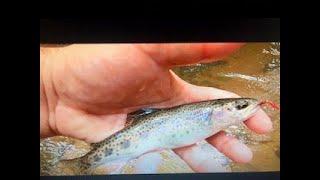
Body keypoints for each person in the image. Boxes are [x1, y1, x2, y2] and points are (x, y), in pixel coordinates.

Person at [40, 43, 273, 172]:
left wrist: (49, 86)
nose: (247, 108)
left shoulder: (215, 119)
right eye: (241, 106)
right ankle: (83, 164)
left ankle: (83, 164)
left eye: (242, 106)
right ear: (219, 110)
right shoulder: (210, 115)